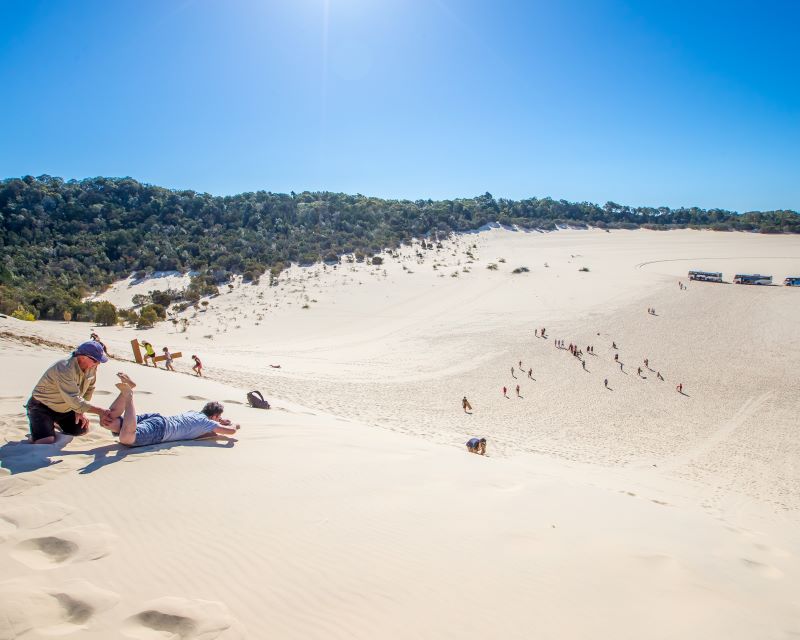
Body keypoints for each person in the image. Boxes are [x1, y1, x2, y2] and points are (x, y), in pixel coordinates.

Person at [100, 374, 239, 447]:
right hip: (161, 430)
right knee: (126, 438)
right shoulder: (207, 423)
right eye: (219, 417)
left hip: (158, 419)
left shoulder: (193, 413)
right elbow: (231, 431)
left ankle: (127, 390)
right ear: (214, 416)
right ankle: (128, 397)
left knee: (109, 422)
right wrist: (232, 424)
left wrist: (219, 423)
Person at [26, 341, 110, 444]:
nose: (98, 363)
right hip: (42, 407)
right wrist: (101, 411)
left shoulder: (92, 367)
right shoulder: (64, 367)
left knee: (81, 430)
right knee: (46, 441)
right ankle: (39, 430)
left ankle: (53, 424)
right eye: (95, 360)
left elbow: (90, 388)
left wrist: (79, 411)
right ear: (83, 357)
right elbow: (73, 398)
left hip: (67, 408)